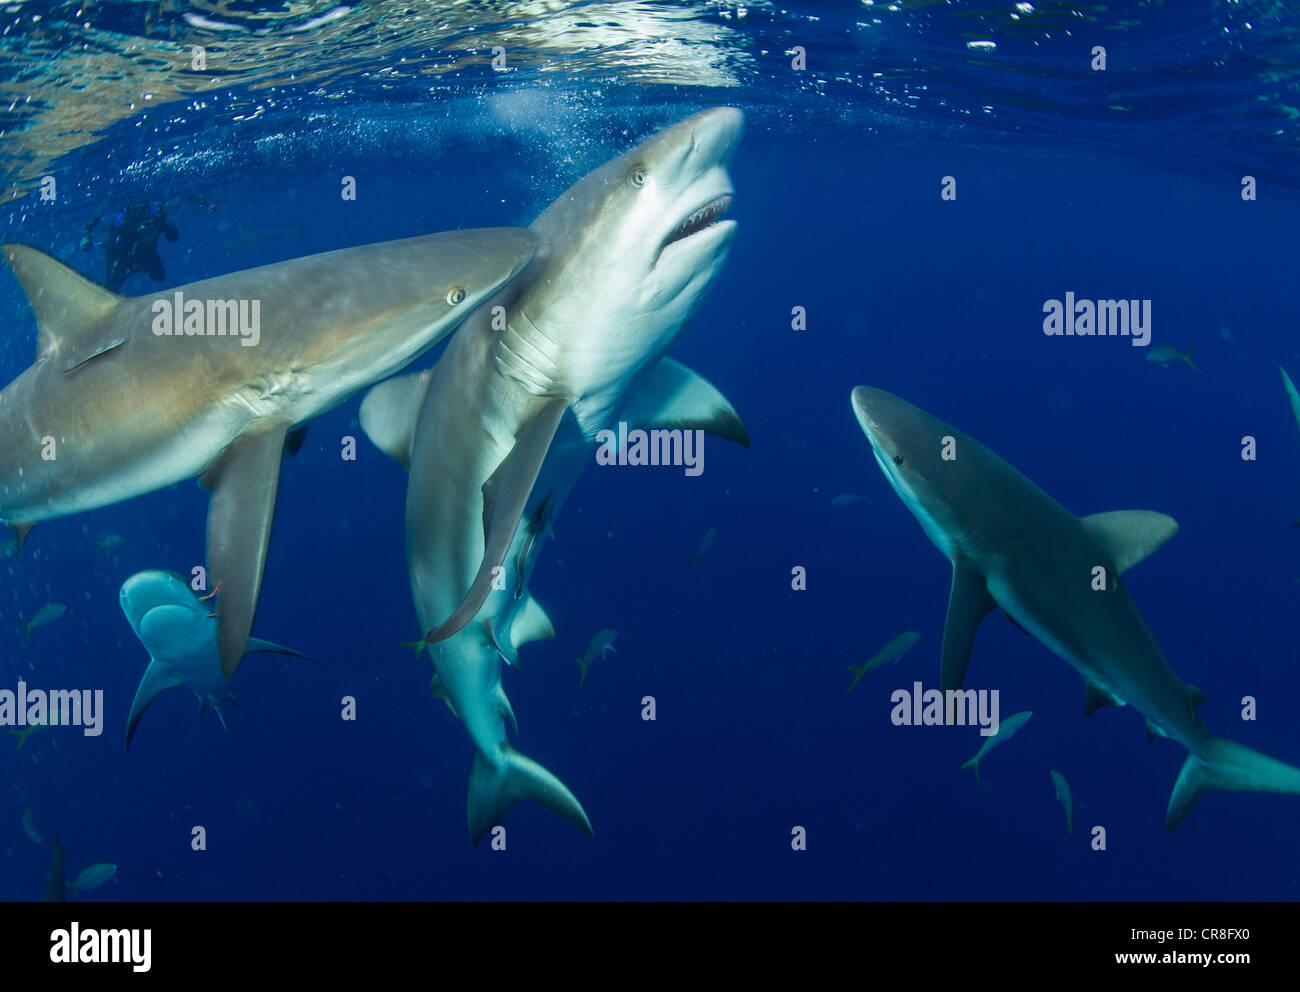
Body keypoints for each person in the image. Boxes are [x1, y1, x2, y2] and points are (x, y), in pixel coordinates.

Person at [80, 201, 180, 291]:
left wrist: (162, 222)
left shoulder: (155, 215)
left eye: (144, 208)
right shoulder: (122, 219)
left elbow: (173, 236)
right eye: (136, 209)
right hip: (124, 257)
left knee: (159, 276)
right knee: (110, 286)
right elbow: (111, 247)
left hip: (145, 255)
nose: (141, 211)